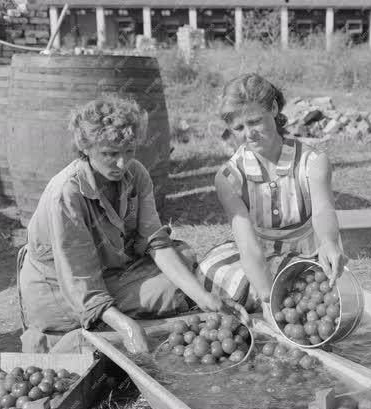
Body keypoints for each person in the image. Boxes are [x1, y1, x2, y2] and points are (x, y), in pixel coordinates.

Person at [18, 95, 223, 354]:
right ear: (85, 147)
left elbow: (155, 242)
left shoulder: (135, 174)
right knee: (171, 289)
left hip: (110, 270)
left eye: (129, 151)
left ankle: (119, 318)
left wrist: (204, 299)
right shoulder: (66, 194)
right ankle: (84, 331)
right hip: (61, 289)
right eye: (109, 154)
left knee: (182, 258)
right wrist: (125, 325)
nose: (121, 163)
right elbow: (78, 276)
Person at [197, 74, 347, 318]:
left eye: (254, 121)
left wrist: (329, 243)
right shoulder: (229, 177)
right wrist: (267, 295)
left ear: (274, 108)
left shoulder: (313, 162)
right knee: (211, 272)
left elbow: (323, 211)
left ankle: (277, 296)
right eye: (238, 128)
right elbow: (247, 244)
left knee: (308, 285)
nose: (249, 134)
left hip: (304, 251)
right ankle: (269, 297)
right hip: (257, 252)